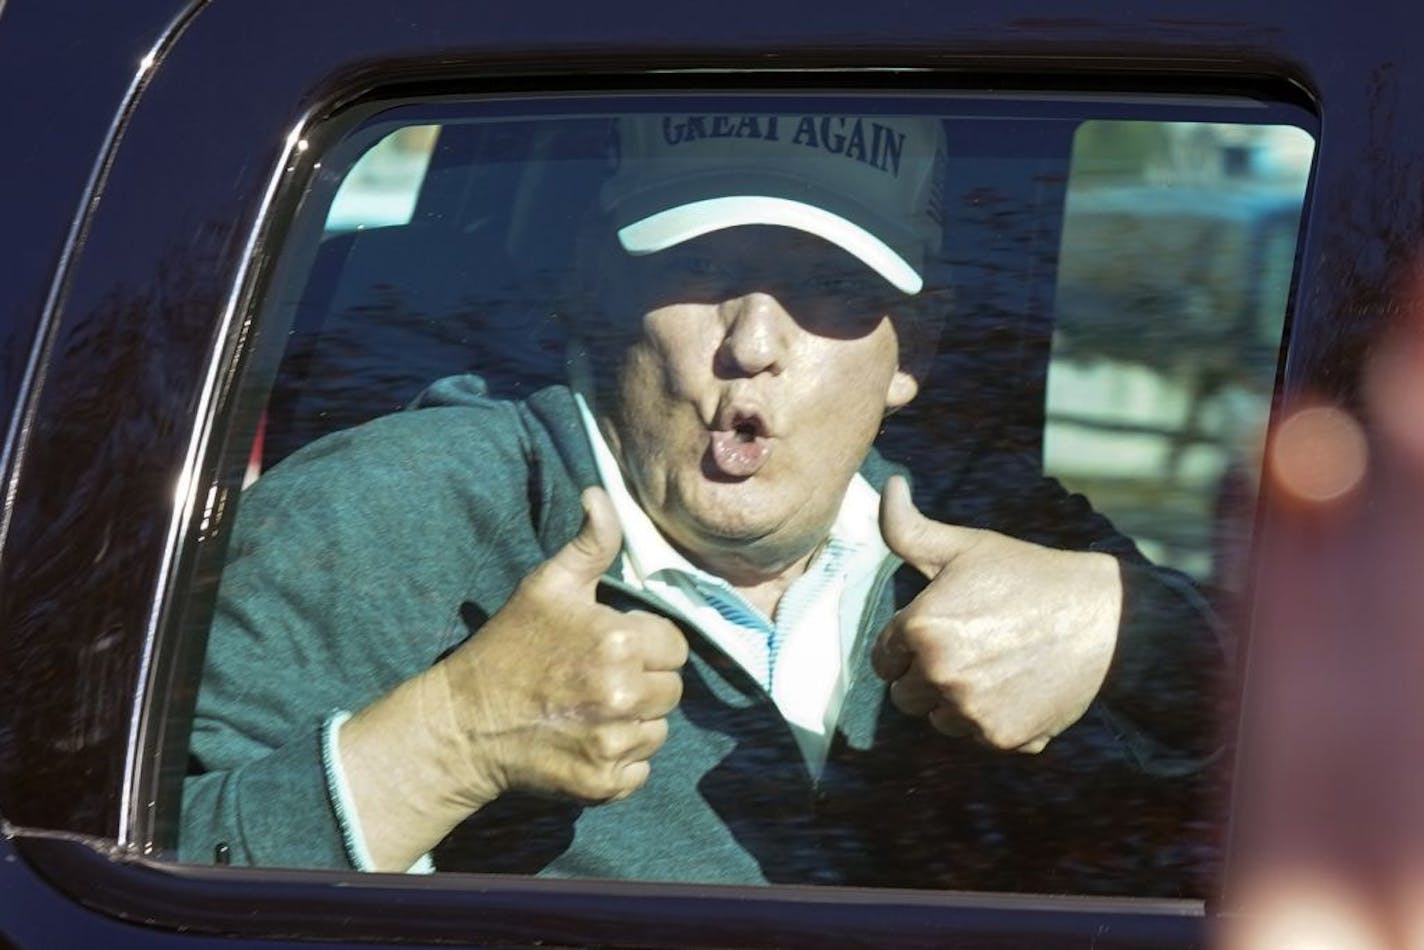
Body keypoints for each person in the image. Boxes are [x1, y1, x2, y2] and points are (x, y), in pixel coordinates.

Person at [181, 112, 1222, 888]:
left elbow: (1346, 791)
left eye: (833, 287)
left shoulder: (998, 533)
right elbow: (106, 881)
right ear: (595, 297)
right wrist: (446, 739)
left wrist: (1139, 631)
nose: (754, 344)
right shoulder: (380, 517)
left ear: (919, 348)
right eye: (706, 266)